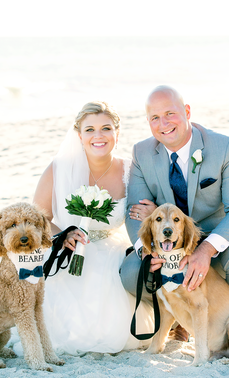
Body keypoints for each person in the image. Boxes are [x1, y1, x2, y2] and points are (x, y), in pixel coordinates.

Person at [120, 86, 229, 328]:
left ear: (187, 111)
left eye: (170, 114)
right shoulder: (142, 153)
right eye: (154, 118)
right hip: (170, 243)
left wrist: (205, 250)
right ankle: (180, 321)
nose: (163, 124)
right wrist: (146, 250)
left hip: (222, 237)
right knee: (133, 272)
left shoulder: (225, 147)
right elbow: (135, 211)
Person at [34, 101, 153, 355]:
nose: (98, 136)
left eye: (106, 128)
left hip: (112, 249)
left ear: (116, 134)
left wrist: (152, 212)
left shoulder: (131, 171)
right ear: (79, 136)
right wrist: (60, 235)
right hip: (68, 247)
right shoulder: (59, 167)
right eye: (89, 130)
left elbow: (148, 210)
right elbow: (38, 216)